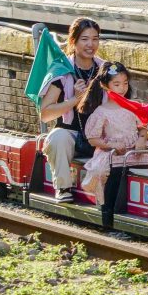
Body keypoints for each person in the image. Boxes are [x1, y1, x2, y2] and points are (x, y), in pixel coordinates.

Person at [38, 17, 103, 201]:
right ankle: (63, 187)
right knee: (57, 137)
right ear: (73, 41)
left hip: (98, 134)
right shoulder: (62, 71)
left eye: (95, 38)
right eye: (84, 39)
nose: (90, 44)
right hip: (72, 135)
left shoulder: (103, 69)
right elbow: (45, 113)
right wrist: (75, 99)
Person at [78, 62, 148, 205]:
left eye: (125, 83)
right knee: (101, 171)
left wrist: (142, 139)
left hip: (136, 150)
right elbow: (93, 139)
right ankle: (106, 204)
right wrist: (112, 145)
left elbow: (142, 127)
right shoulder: (101, 112)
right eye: (117, 84)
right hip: (111, 152)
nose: (122, 88)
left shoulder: (134, 106)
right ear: (106, 86)